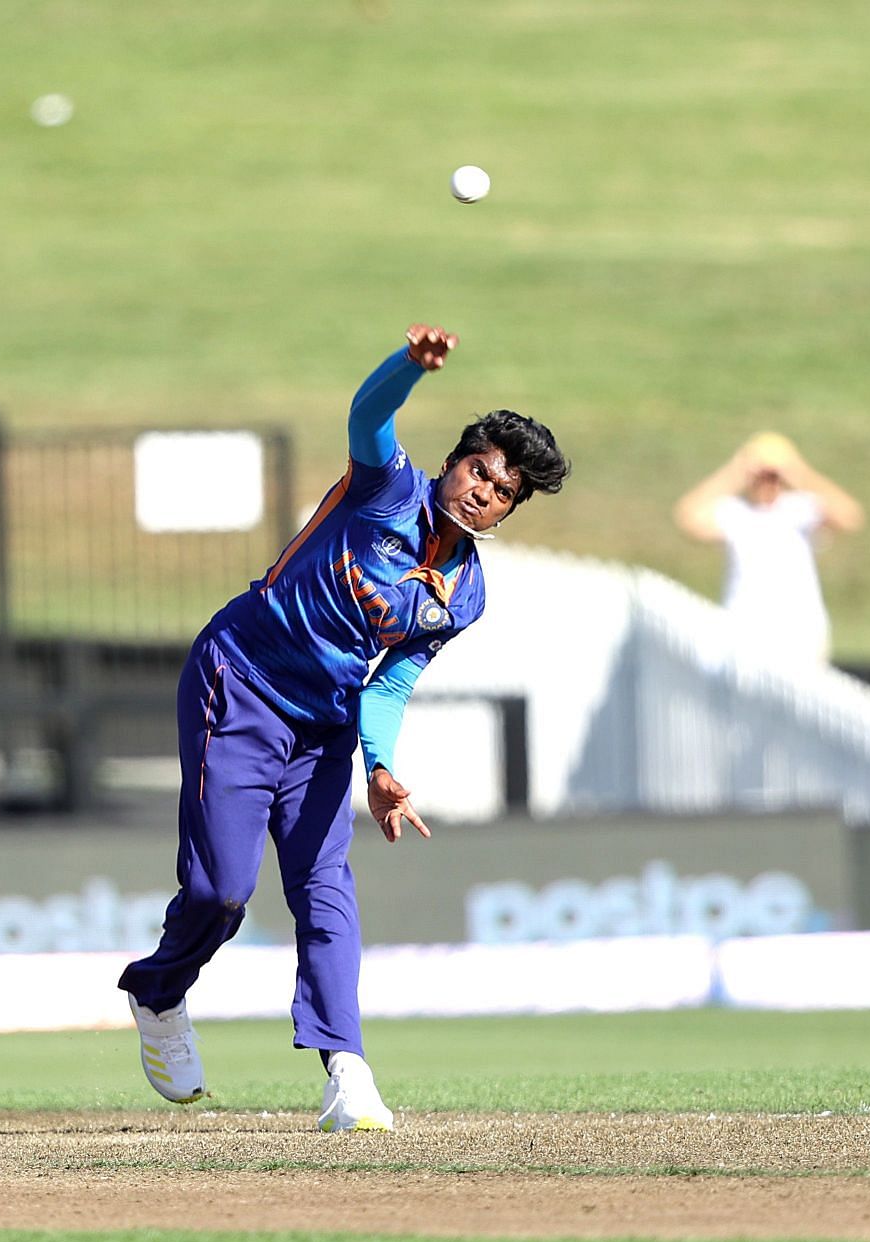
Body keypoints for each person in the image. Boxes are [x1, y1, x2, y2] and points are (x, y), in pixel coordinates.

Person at [118, 324, 570, 1131]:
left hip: (324, 723)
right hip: (242, 680)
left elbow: (391, 680)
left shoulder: (464, 593)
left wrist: (383, 767)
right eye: (478, 471)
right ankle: (158, 993)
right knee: (222, 890)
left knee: (326, 893)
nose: (482, 493)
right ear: (453, 462)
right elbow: (368, 414)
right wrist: (409, 368)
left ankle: (347, 1073)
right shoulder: (386, 489)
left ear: (510, 507)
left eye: (502, 492)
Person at [673, 432, 864, 664]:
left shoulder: (801, 509)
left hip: (800, 632)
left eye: (773, 476)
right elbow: (689, 519)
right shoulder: (734, 512)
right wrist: (734, 474)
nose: (767, 482)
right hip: (744, 630)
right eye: (761, 475)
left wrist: (800, 474)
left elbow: (850, 517)